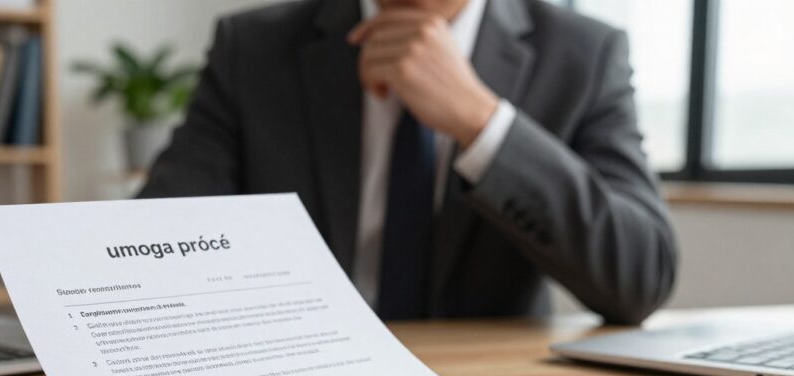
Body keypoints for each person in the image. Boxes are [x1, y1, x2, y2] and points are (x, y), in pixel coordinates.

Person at [138, 0, 678, 324]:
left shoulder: (583, 54)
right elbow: (153, 243)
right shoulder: (254, 47)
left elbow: (640, 277)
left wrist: (483, 122)